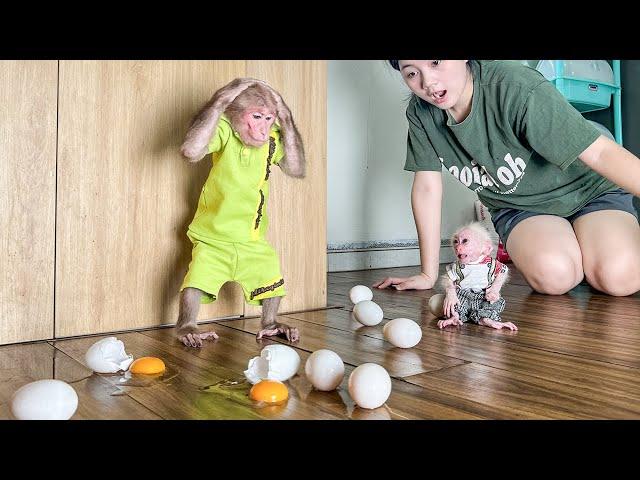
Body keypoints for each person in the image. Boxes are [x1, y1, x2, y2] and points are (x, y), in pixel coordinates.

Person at [374, 60, 640, 296]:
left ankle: (597, 249)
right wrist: (427, 274)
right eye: (411, 73)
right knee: (555, 276)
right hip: (522, 209)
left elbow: (601, 153)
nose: (427, 82)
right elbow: (427, 189)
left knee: (620, 277)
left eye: (435, 62)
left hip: (589, 193)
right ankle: (577, 253)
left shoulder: (515, 86)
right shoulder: (422, 114)